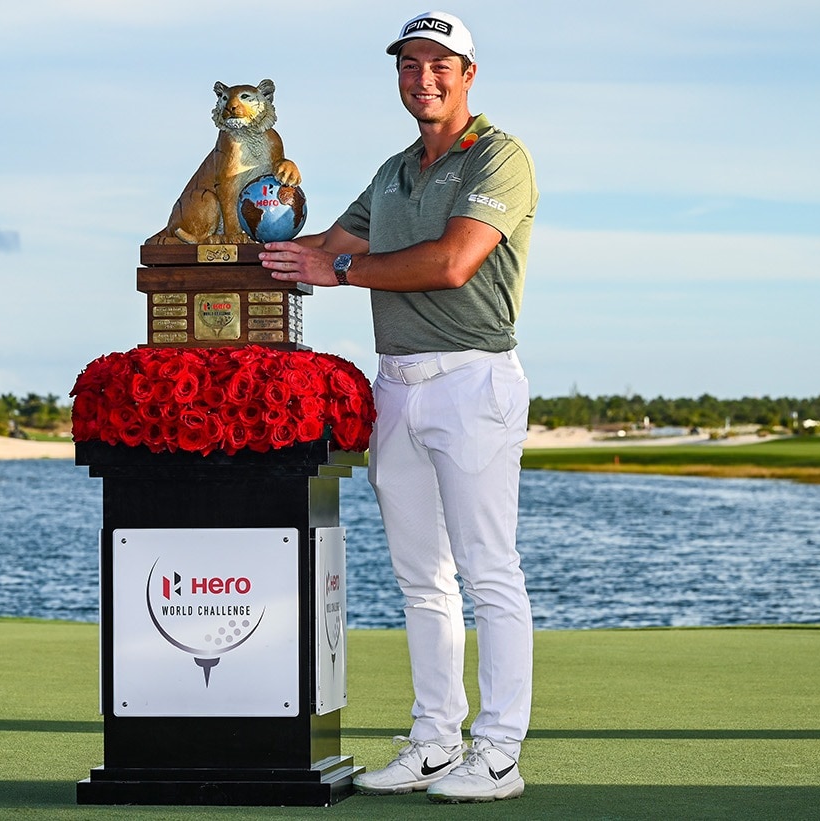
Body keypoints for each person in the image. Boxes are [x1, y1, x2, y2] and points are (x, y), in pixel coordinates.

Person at [260, 10, 537, 803]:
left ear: (468, 74)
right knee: (422, 578)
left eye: (438, 65)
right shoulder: (393, 172)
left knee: (490, 572)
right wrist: (256, 226)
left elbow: (452, 262)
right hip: (399, 383)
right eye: (410, 66)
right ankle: (435, 739)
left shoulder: (500, 156)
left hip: (474, 379)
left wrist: (342, 271)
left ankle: (501, 750)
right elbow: (325, 246)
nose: (424, 79)